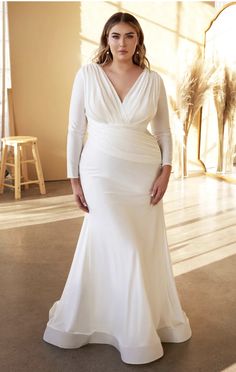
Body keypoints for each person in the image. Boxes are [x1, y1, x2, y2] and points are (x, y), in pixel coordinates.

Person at [43, 12, 192, 365]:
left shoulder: (153, 80)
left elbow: (164, 132)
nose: (122, 43)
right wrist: (74, 178)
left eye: (129, 36)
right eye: (115, 36)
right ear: (105, 40)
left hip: (142, 171)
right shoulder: (88, 75)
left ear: (138, 40)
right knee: (124, 246)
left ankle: (133, 322)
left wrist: (166, 171)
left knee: (139, 247)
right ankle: (128, 331)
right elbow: (75, 130)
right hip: (99, 172)